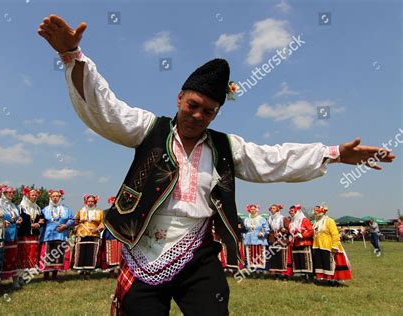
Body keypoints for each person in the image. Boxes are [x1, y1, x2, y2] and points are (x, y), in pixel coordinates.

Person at [37, 14, 395, 315]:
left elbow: (274, 159)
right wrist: (72, 53)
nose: (197, 115)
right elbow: (106, 110)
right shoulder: (149, 128)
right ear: (179, 97)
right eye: (192, 104)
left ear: (217, 113)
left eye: (208, 111)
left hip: (197, 252)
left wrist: (332, 153)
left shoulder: (225, 146)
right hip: (142, 245)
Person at [39, 189, 74, 280]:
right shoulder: (44, 210)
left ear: (60, 197)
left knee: (58, 255)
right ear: (50, 197)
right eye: (53, 196)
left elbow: (72, 219)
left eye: (57, 196)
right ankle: (46, 276)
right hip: (48, 236)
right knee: (46, 256)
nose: (55, 198)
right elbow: (40, 221)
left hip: (61, 235)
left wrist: (66, 225)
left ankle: (55, 275)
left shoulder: (66, 210)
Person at [312, 205, 352, 285]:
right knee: (324, 264)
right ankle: (327, 279)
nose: (315, 213)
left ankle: (334, 280)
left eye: (317, 211)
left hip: (329, 246)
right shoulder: (316, 223)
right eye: (315, 211)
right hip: (318, 246)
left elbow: (335, 234)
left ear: (322, 212)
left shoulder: (329, 221)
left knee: (331, 263)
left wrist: (335, 245)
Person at [17, 187, 45, 283]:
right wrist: (30, 225)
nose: (34, 197)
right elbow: (20, 220)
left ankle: (27, 276)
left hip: (34, 235)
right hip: (23, 235)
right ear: (27, 196)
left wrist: (38, 224)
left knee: (32, 255)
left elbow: (42, 220)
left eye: (36, 195)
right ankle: (20, 276)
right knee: (22, 255)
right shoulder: (21, 207)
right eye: (32, 195)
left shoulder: (37, 208)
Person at [72, 194, 104, 275]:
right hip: (82, 233)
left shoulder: (100, 212)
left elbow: (102, 223)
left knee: (91, 251)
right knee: (81, 251)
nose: (90, 203)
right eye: (89, 201)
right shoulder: (81, 210)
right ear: (86, 202)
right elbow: (75, 221)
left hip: (94, 234)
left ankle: (89, 270)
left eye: (92, 201)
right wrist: (76, 228)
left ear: (95, 202)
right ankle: (80, 270)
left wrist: (97, 229)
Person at [0, 185, 23, 288]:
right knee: (1, 258)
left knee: (13, 257)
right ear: (3, 193)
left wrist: (19, 220)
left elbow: (17, 218)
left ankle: (15, 280)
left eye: (13, 192)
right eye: (9, 192)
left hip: (13, 235)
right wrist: (3, 222)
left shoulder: (14, 206)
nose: (12, 194)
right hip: (2, 235)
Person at [289, 204, 314, 282]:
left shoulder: (304, 220)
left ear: (297, 212)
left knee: (306, 260)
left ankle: (310, 276)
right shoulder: (292, 221)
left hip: (304, 242)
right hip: (296, 243)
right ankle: (303, 276)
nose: (291, 213)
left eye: (292, 211)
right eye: (289, 211)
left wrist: (302, 235)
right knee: (299, 260)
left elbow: (311, 231)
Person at [99, 196, 123, 277]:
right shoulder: (106, 212)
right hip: (109, 235)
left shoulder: (123, 211)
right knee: (110, 253)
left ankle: (120, 272)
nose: (114, 202)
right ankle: (111, 273)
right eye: (112, 201)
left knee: (120, 254)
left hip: (120, 235)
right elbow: (102, 224)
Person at [267, 204, 292, 279]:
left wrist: (282, 232)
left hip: (282, 240)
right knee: (274, 258)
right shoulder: (269, 219)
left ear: (277, 209)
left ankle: (284, 275)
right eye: (271, 208)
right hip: (272, 240)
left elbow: (289, 229)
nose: (272, 210)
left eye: (274, 208)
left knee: (282, 258)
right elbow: (268, 229)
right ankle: (276, 274)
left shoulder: (283, 218)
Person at [243, 204, 269, 275]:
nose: (253, 210)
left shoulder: (261, 218)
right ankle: (252, 270)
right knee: (251, 254)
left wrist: (262, 233)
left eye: (254, 209)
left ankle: (261, 270)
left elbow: (266, 229)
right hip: (249, 239)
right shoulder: (246, 219)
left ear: (256, 210)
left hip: (259, 239)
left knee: (260, 254)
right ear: (249, 210)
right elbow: (245, 229)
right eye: (251, 209)